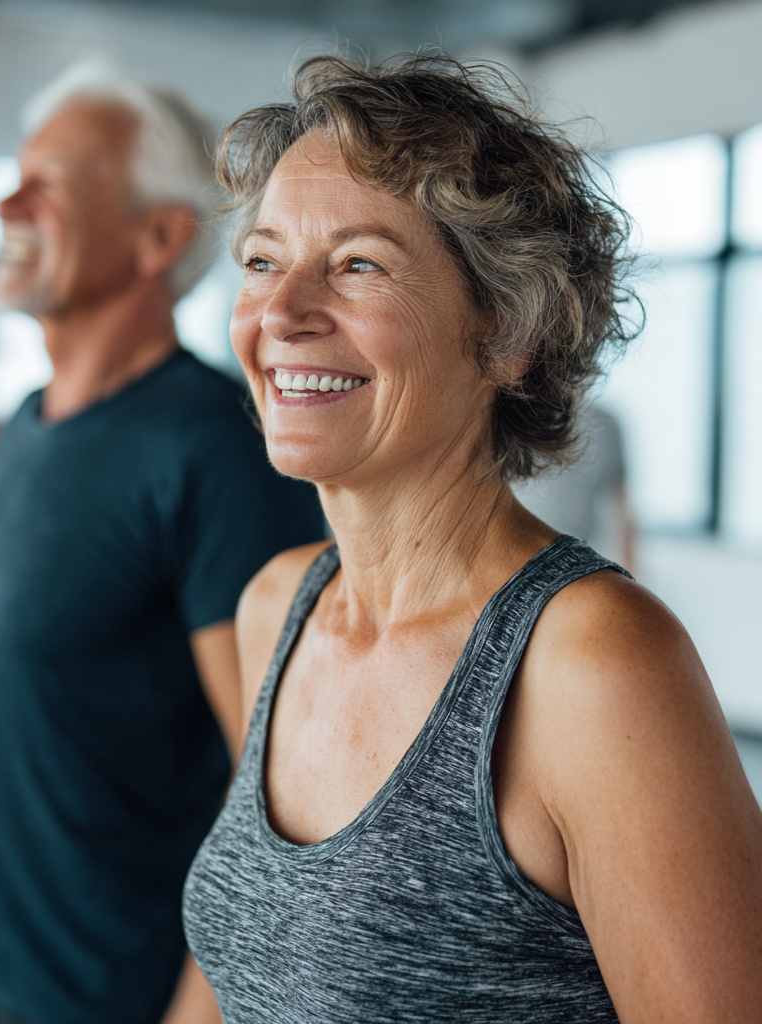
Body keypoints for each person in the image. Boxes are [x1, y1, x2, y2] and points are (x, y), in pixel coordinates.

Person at [181, 53, 762, 1022]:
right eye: (262, 260)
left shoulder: (590, 661)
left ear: (505, 330)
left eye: (359, 263)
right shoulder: (277, 605)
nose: (280, 312)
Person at [0, 64, 324, 1024]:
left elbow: (276, 797)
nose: (8, 200)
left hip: (119, 993)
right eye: (14, 174)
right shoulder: (19, 428)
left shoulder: (216, 451)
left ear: (158, 236)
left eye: (50, 184)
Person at [513, 402, 636, 572]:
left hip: (574, 560)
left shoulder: (605, 423)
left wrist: (633, 575)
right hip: (519, 554)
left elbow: (621, 510)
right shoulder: (515, 416)